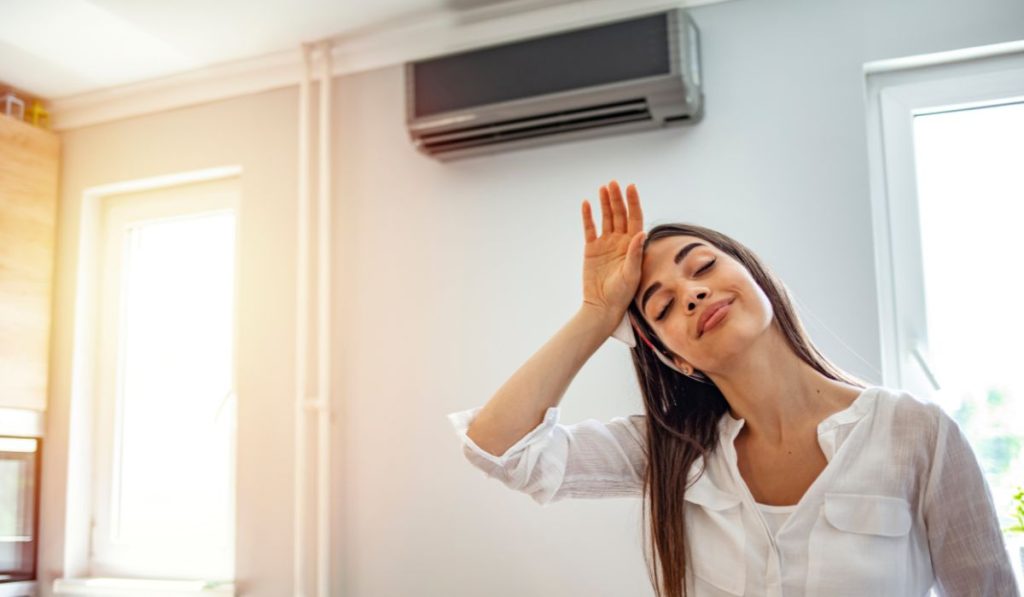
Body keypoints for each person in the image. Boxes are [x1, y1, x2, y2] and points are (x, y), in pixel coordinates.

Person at [446, 180, 1019, 597]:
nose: (691, 294)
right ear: (675, 358)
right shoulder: (671, 450)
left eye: (703, 267)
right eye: (664, 305)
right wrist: (598, 313)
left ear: (755, 276)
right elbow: (497, 446)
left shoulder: (917, 433)